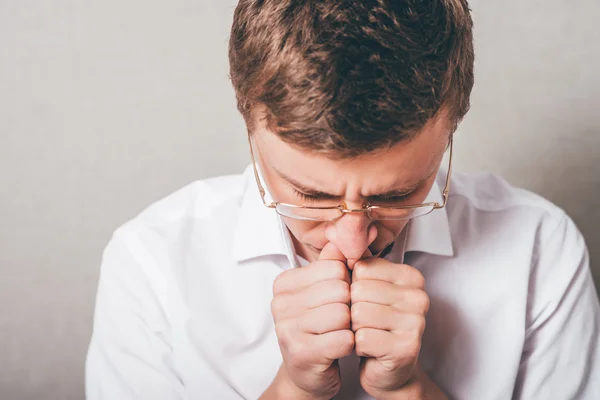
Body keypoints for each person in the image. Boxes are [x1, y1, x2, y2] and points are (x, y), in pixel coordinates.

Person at [85, 1, 600, 399]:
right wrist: (292, 390)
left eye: (398, 194)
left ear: (452, 126)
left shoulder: (540, 249)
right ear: (249, 124)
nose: (352, 239)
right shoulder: (151, 263)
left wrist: (408, 392)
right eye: (309, 194)